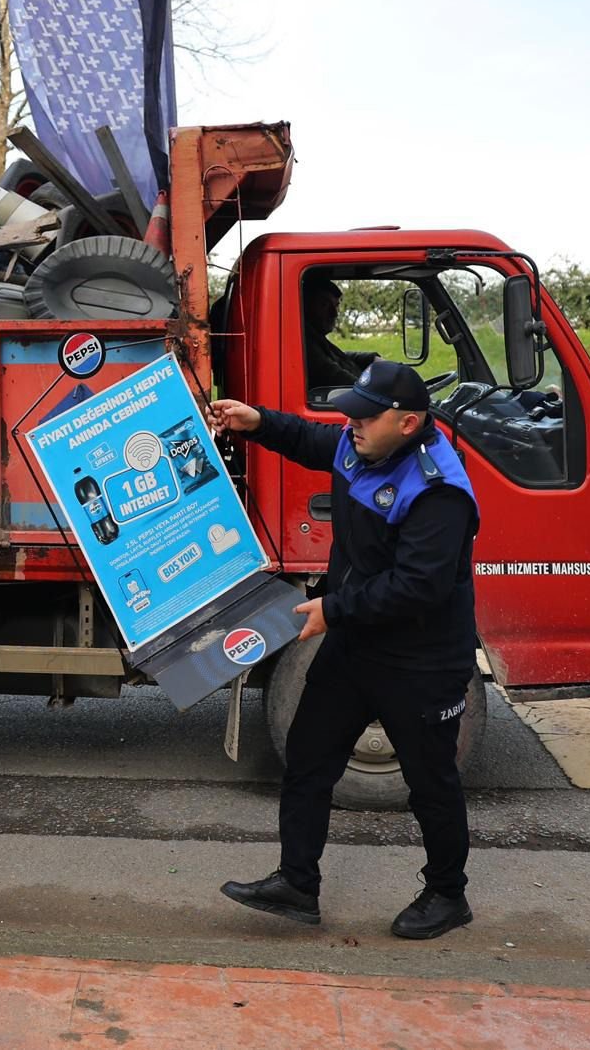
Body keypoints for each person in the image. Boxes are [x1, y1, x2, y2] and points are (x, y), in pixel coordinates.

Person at [209, 360, 480, 940]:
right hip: (357, 647)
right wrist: (256, 422)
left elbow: (419, 587)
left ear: (408, 424)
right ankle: (296, 884)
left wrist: (333, 609)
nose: (349, 422)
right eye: (351, 410)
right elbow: (312, 439)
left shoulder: (438, 490)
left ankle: (447, 894)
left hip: (421, 659)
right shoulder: (362, 447)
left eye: (364, 414)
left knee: (431, 782)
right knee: (307, 758)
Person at [304, 276, 378, 388]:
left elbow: (338, 356)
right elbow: (335, 375)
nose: (334, 313)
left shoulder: (315, 337)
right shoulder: (305, 345)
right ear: (305, 306)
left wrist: (372, 358)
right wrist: (377, 390)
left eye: (336, 305)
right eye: (324, 305)